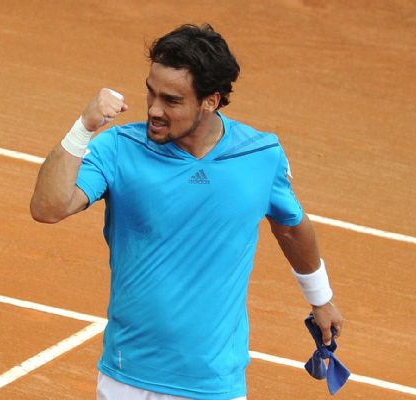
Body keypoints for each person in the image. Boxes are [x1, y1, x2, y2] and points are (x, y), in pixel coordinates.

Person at [30, 23, 343, 400]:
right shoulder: (119, 147)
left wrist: (320, 298)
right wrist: (83, 128)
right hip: (127, 379)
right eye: (151, 92)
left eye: (172, 100)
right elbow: (47, 208)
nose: (154, 110)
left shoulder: (260, 156)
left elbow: (291, 228)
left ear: (210, 101)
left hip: (214, 384)